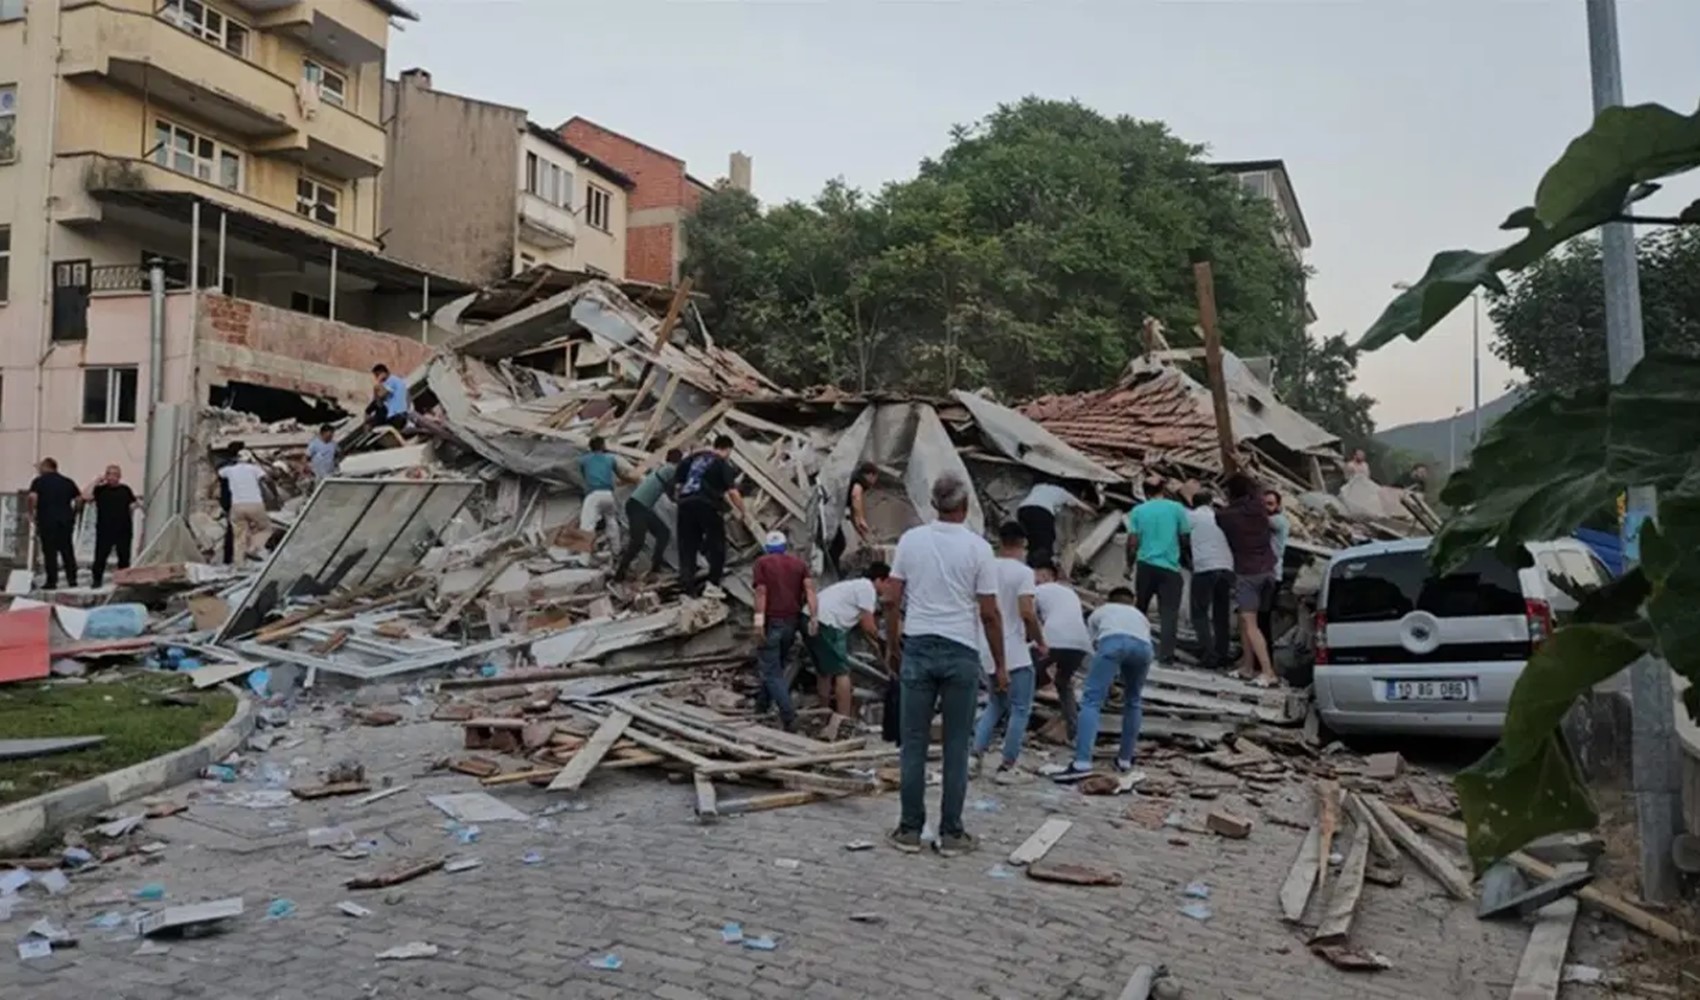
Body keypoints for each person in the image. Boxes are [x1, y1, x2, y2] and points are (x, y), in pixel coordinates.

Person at [884, 473, 1004, 857]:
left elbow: (891, 598)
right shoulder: (978, 549)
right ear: (965, 505)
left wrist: (891, 643)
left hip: (917, 645)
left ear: (933, 504)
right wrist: (1000, 663)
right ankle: (952, 833)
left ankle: (908, 830)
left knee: (913, 743)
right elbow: (989, 613)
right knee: (956, 745)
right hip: (961, 650)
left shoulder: (911, 541)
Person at [1050, 586, 1155, 783]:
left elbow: (1092, 646)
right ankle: (1125, 760)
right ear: (1131, 602)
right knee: (1133, 700)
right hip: (1144, 649)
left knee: (1091, 700)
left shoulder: (1100, 612)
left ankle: (1082, 762)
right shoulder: (1140, 616)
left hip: (1112, 642)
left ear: (1109, 600)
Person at [970, 522, 1046, 783]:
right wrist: (1040, 640)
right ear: (1022, 544)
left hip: (987, 647)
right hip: (1014, 649)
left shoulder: (985, 567)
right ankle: (1007, 764)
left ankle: (974, 755)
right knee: (1020, 708)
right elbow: (1027, 612)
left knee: (996, 704)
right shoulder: (1023, 573)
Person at [809, 562, 894, 719]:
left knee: (824, 672)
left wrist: (876, 645)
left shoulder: (856, 586)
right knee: (842, 673)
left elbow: (865, 629)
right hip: (828, 623)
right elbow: (868, 625)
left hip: (811, 618)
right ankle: (844, 719)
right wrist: (886, 642)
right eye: (888, 583)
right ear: (879, 580)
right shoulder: (868, 589)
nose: (889, 588)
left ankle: (824, 715)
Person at [752, 531, 818, 732]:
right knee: (775, 667)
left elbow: (761, 592)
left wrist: (758, 622)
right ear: (785, 546)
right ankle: (761, 707)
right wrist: (814, 616)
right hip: (792, 622)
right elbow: (810, 590)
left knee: (771, 670)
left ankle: (789, 716)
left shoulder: (762, 564)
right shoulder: (798, 564)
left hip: (773, 621)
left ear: (767, 547)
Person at [1217, 472, 1278, 687]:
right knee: (1245, 621)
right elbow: (1258, 491)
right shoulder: (1260, 509)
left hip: (1247, 573)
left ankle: (1268, 672)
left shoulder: (1225, 516)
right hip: (1268, 571)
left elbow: (1222, 516)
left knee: (1250, 624)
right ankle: (1247, 667)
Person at [1125, 477, 1190, 665]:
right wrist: (1186, 560)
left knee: (1140, 609)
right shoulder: (1177, 509)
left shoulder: (1138, 511)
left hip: (1145, 565)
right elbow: (1185, 538)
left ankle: (1133, 649)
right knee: (1169, 614)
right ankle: (1166, 656)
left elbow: (1132, 542)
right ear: (1164, 489)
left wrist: (1129, 565)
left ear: (1145, 491)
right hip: (1170, 568)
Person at [675, 435, 748, 597]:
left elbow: (679, 484)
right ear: (728, 449)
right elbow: (733, 492)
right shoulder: (722, 463)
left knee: (687, 545)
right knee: (717, 543)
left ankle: (687, 586)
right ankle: (713, 583)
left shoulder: (691, 459)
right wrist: (743, 512)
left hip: (685, 503)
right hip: (706, 504)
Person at [1032, 560, 1090, 742]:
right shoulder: (1070, 593)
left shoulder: (1038, 591)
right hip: (1080, 642)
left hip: (1054, 638)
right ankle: (1074, 731)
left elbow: (1029, 619)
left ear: (1044, 576)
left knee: (1026, 675)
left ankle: (1012, 722)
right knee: (1064, 682)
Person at [613, 448, 682, 582]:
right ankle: (620, 573)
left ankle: (655, 567)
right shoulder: (670, 469)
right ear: (678, 461)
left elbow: (671, 493)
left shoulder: (664, 470)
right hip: (637, 507)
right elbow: (674, 488)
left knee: (664, 533)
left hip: (642, 507)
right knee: (637, 542)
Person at [1185, 489, 1235, 671]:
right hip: (1227, 567)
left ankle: (1208, 654)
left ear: (1193, 503)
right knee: (1221, 613)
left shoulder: (1191, 516)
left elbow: (1181, 534)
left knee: (1199, 612)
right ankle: (1222, 653)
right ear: (1211, 503)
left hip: (1205, 567)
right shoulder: (1221, 517)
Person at [577, 436, 637, 558]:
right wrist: (633, 479)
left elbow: (583, 475)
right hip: (609, 495)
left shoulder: (584, 460)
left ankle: (583, 558)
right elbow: (621, 476)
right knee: (611, 521)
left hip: (594, 494)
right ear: (603, 446)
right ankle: (617, 550)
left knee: (587, 525)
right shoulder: (610, 459)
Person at [27, 458, 81, 590]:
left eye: (40, 467)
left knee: (50, 552)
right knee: (67, 550)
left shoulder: (39, 482)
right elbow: (79, 499)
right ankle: (72, 579)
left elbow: (32, 498)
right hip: (65, 521)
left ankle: (52, 581)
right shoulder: (67, 482)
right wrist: (74, 513)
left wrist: (30, 513)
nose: (39, 470)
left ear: (46, 467)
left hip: (47, 521)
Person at [85, 465, 139, 588]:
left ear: (119, 477)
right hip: (105, 529)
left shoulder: (125, 490)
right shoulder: (100, 490)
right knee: (100, 557)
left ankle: (123, 581)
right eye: (109, 474)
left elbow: (133, 504)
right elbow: (86, 496)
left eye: (114, 474)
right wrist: (96, 481)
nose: (111, 477)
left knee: (124, 557)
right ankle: (97, 580)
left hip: (123, 529)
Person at [1015, 481, 1088, 569]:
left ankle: (1030, 567)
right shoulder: (1063, 492)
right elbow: (1083, 506)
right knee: (1045, 543)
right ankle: (1040, 570)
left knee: (1032, 542)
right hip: (1041, 512)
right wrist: (1095, 513)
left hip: (1022, 510)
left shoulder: (1039, 486)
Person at [219, 452, 272, 562]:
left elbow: (220, 472)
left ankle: (239, 565)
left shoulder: (229, 470)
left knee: (239, 536)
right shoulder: (254, 469)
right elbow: (267, 478)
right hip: (255, 503)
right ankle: (252, 549)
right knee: (265, 529)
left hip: (237, 506)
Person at [828, 463, 879, 575]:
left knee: (837, 543)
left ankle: (833, 568)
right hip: (830, 509)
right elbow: (856, 497)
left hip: (832, 510)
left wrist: (861, 533)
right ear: (870, 475)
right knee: (838, 543)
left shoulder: (852, 479)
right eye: (875, 478)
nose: (874, 482)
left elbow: (852, 513)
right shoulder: (859, 481)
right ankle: (831, 570)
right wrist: (861, 518)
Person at [1262, 489, 1291, 655]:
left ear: (1278, 505)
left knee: (1263, 619)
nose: (1266, 507)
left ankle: (1265, 661)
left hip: (1271, 576)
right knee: (1260, 620)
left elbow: (1260, 521)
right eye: (1264, 503)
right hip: (1264, 574)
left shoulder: (1279, 521)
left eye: (1270, 504)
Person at [371, 364, 409, 431]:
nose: (377, 378)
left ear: (383, 373)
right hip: (393, 415)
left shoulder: (392, 381)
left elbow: (382, 395)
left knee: (378, 429)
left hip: (398, 415)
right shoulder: (386, 384)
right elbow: (378, 404)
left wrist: (377, 386)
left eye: (377, 375)